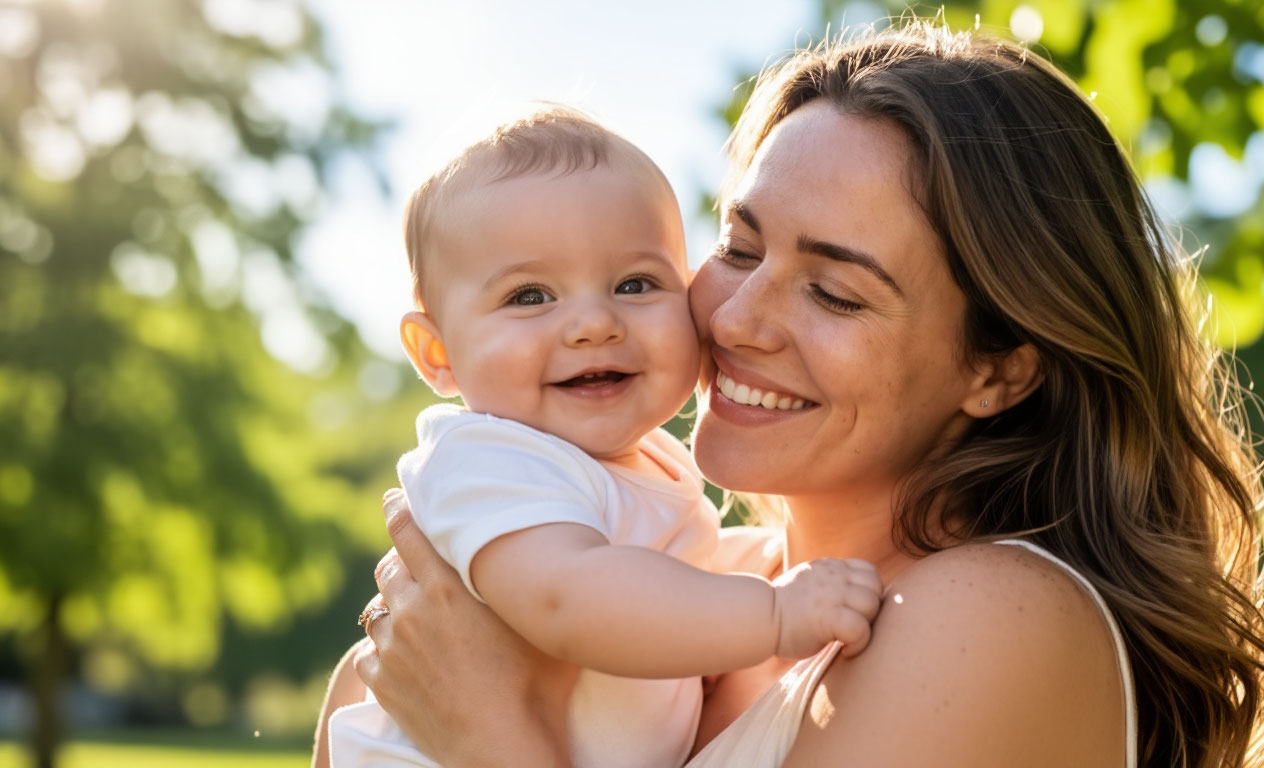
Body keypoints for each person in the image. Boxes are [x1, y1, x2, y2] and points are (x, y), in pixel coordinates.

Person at [316, 20, 1264, 768]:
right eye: (738, 247)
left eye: (834, 291)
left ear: (998, 367)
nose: (740, 316)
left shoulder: (995, 617)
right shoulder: (697, 579)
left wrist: (491, 733)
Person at [320, 106, 883, 768]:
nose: (593, 322)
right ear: (436, 349)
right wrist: (774, 616)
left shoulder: (638, 467)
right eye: (530, 296)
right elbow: (570, 595)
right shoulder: (488, 460)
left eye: (634, 283)